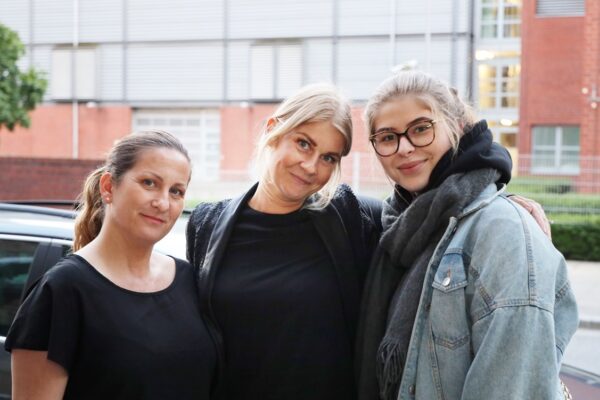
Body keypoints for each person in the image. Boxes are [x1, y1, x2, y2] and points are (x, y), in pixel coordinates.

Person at [186, 83, 549, 400]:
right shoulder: (207, 224)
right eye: (303, 143)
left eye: (328, 157)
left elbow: (427, 218)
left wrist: (497, 202)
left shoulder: (350, 218)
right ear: (273, 130)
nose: (311, 166)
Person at [355, 70, 579, 400]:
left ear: (457, 126)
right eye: (388, 137)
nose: (404, 147)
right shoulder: (395, 226)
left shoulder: (503, 232)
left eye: (421, 128)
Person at [5, 131, 216, 400]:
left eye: (176, 191)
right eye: (149, 183)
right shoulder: (62, 290)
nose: (163, 203)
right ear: (108, 187)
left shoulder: (189, 279)